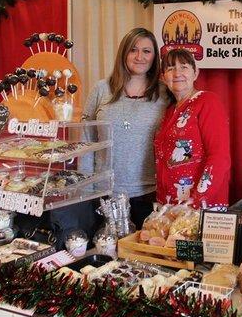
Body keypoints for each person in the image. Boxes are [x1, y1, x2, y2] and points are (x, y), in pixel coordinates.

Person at [83, 28, 169, 229]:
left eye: (147, 51)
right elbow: (87, 142)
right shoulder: (101, 89)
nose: (140, 57)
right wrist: (86, 190)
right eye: (133, 50)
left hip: (149, 194)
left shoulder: (165, 93)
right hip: (104, 194)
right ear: (124, 53)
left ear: (155, 56)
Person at [154, 48, 230, 209]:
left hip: (201, 207)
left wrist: (197, 200)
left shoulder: (208, 102)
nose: (177, 73)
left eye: (184, 67)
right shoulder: (169, 111)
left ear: (195, 73)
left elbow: (219, 157)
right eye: (170, 68)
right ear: (163, 77)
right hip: (170, 207)